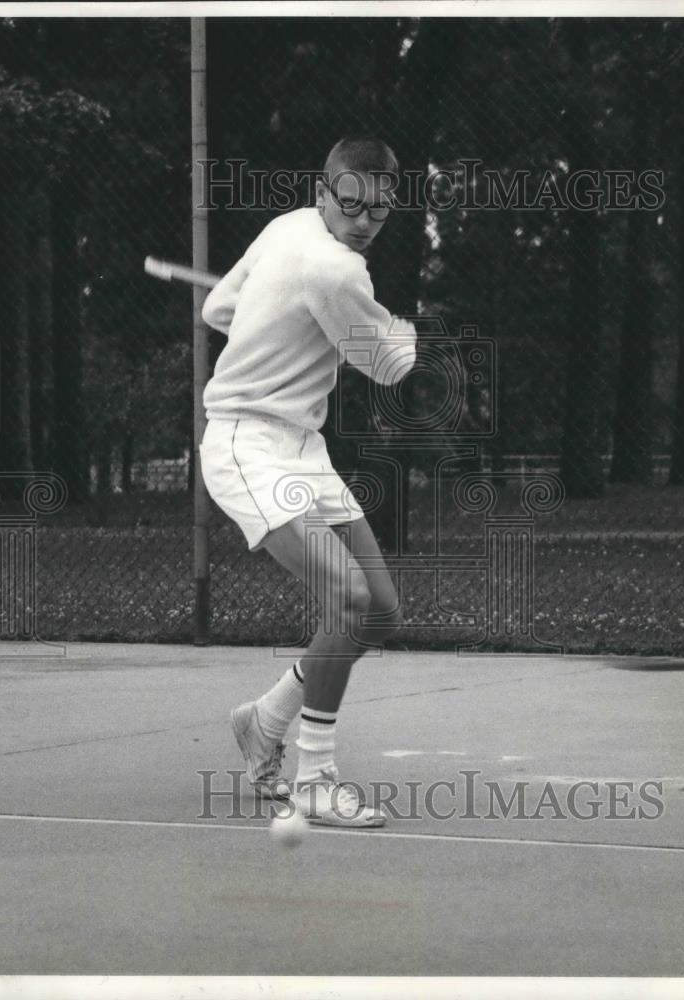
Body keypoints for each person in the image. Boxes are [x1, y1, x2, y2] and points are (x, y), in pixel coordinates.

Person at [199, 136, 417, 828]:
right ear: (324, 190)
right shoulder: (335, 270)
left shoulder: (284, 228)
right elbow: (386, 367)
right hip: (247, 445)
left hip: (302, 449)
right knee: (348, 597)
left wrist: (282, 320)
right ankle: (315, 778)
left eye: (377, 212)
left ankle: (263, 721)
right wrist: (406, 336)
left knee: (379, 608)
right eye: (348, 202)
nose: (360, 220)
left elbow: (219, 312)